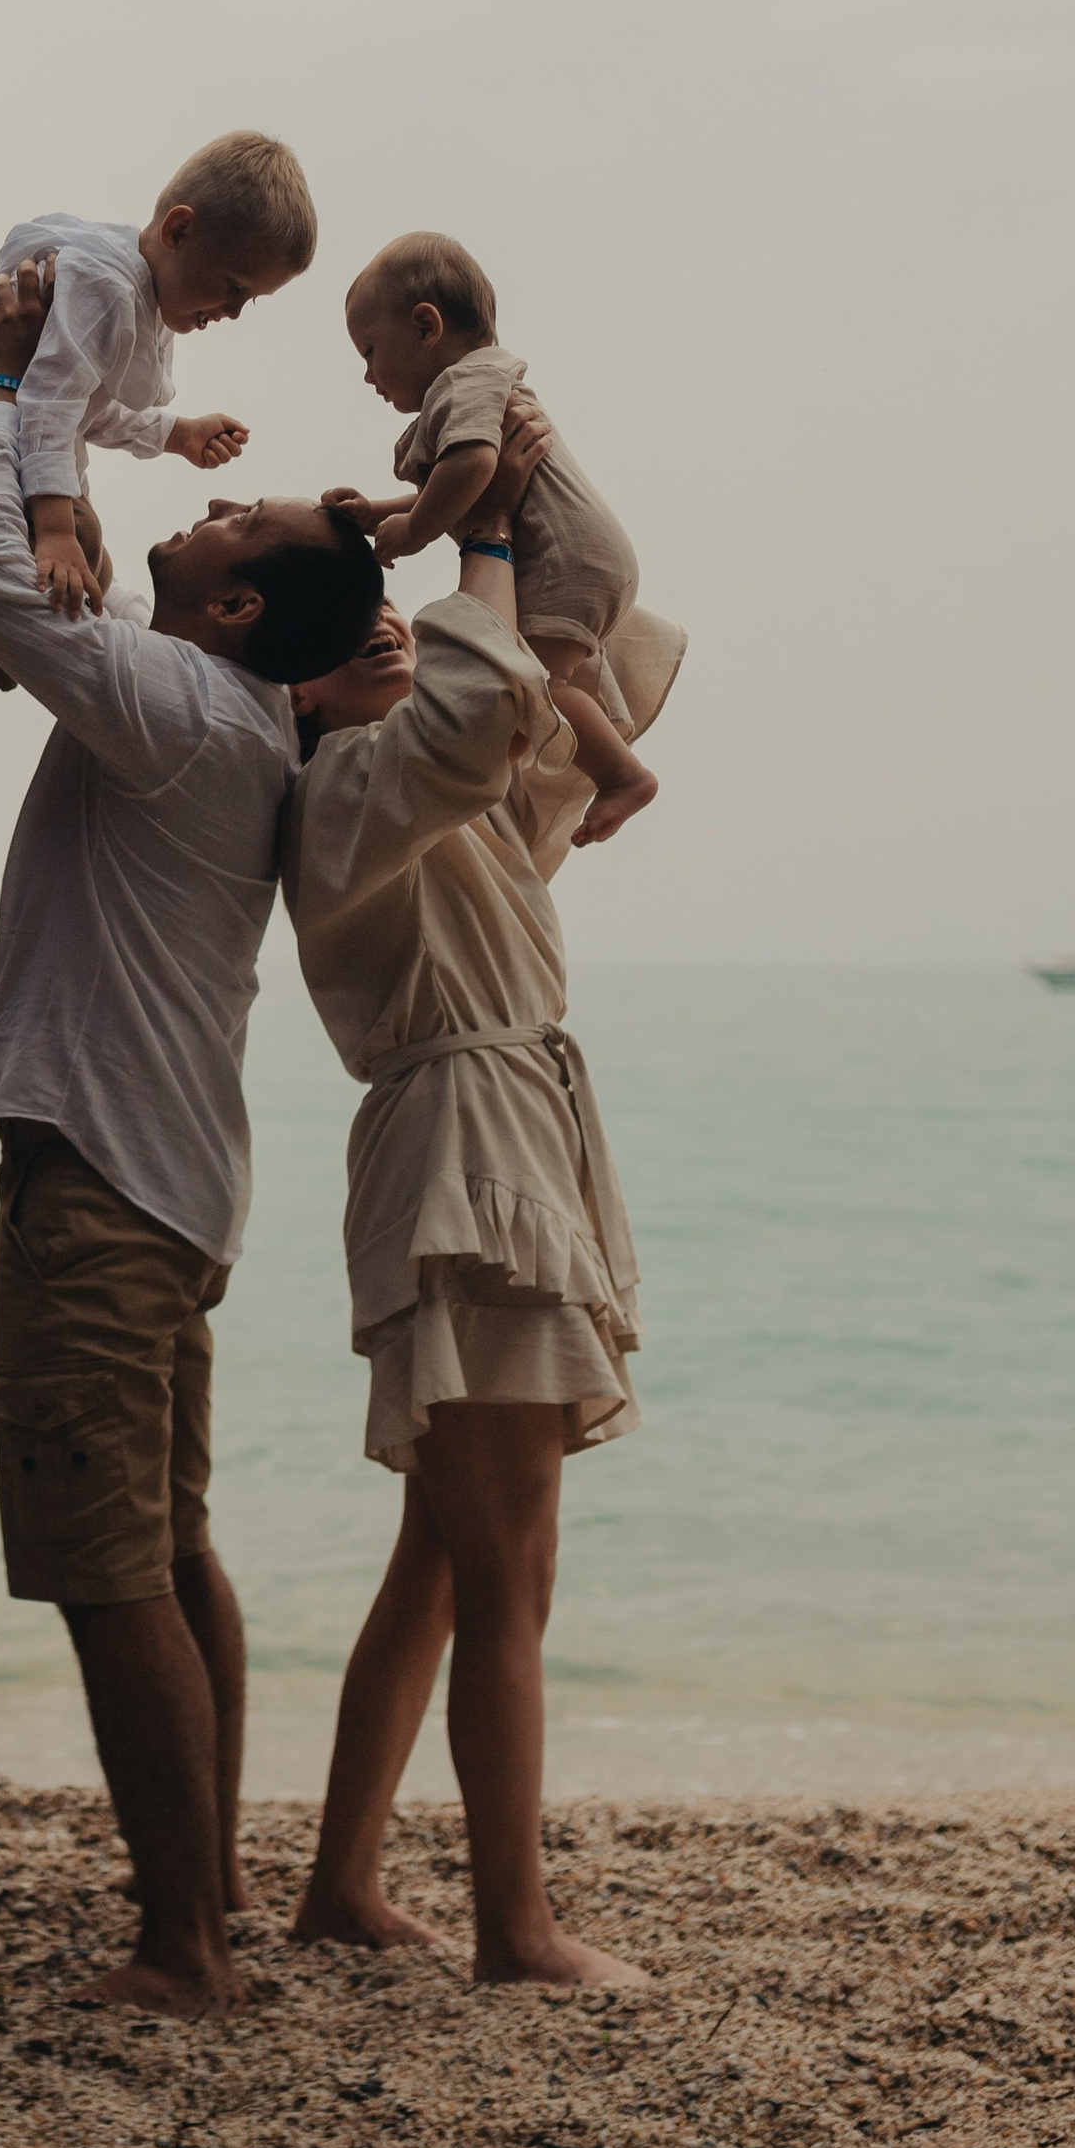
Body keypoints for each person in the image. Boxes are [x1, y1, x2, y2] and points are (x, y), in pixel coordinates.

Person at [0, 255, 385, 2021]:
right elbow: (30, 609)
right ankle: (212, 1894)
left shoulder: (178, 704)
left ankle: (185, 1945)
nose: (200, 506)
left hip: (102, 1190)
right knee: (175, 1550)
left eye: (231, 519)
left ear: (242, 612)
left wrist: (4, 398)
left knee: (112, 1571)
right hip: (176, 1187)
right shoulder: (247, 718)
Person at [278, 440, 652, 1990]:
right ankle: (518, 1929)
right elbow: (488, 678)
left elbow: (597, 615)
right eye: (340, 616)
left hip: (501, 1132)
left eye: (384, 603)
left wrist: (509, 448)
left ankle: (342, 1884)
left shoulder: (446, 789)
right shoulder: (349, 784)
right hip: (468, 1147)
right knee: (511, 1564)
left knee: (441, 1554)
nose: (382, 620)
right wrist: (474, 526)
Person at [0, 132, 318, 810]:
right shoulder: (106, 287)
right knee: (74, 553)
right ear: (180, 229)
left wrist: (175, 434)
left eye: (251, 301)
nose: (233, 312)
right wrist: (52, 526)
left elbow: (82, 405)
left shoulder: (140, 296)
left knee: (90, 582)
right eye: (233, 287)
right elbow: (45, 399)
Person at [327, 230, 682, 846]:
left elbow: (471, 471)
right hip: (585, 552)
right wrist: (378, 511)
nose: (367, 375)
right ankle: (535, 761)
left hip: (564, 559)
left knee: (535, 686)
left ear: (425, 326)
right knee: (529, 687)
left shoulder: (460, 386)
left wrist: (411, 533)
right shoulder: (481, 385)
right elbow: (466, 488)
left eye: (369, 350)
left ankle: (623, 777)